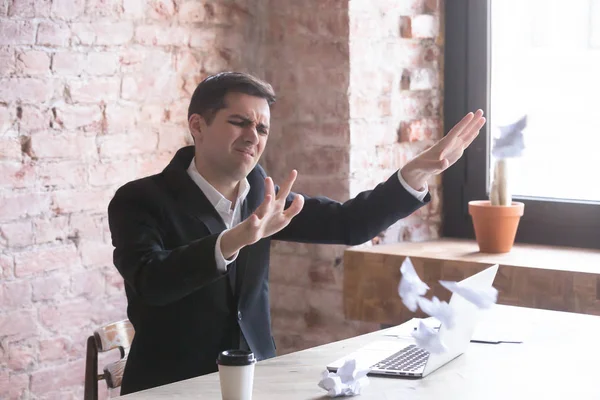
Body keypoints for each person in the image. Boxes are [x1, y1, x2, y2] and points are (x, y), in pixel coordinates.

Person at [107, 72, 485, 394]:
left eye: (262, 127)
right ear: (197, 126)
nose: (253, 136)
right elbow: (151, 281)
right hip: (170, 387)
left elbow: (347, 223)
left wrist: (415, 174)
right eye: (239, 122)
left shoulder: (262, 191)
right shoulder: (141, 199)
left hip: (258, 381)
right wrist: (236, 239)